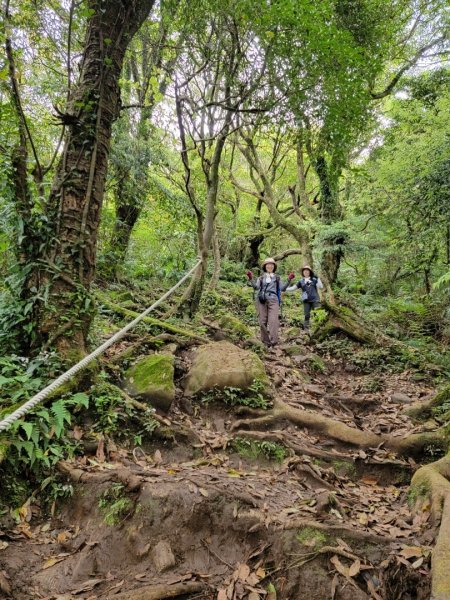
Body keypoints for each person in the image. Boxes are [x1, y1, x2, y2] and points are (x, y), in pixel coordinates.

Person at [246, 257, 294, 347]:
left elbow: (282, 289)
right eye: (268, 264)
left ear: (274, 266)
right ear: (265, 266)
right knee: (262, 321)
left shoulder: (277, 278)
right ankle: (265, 342)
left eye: (272, 264)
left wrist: (289, 280)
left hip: (273, 300)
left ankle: (274, 342)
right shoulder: (261, 278)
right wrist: (251, 278)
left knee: (273, 321)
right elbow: (256, 287)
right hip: (261, 299)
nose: (270, 266)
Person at [286, 265, 324, 331]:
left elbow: (321, 287)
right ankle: (306, 329)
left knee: (318, 314)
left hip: (315, 299)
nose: (306, 272)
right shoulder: (301, 281)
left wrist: (318, 278)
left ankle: (319, 328)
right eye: (304, 271)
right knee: (306, 315)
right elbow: (293, 288)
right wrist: (284, 289)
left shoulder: (314, 279)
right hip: (306, 300)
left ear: (310, 272)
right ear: (303, 272)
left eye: (307, 270)